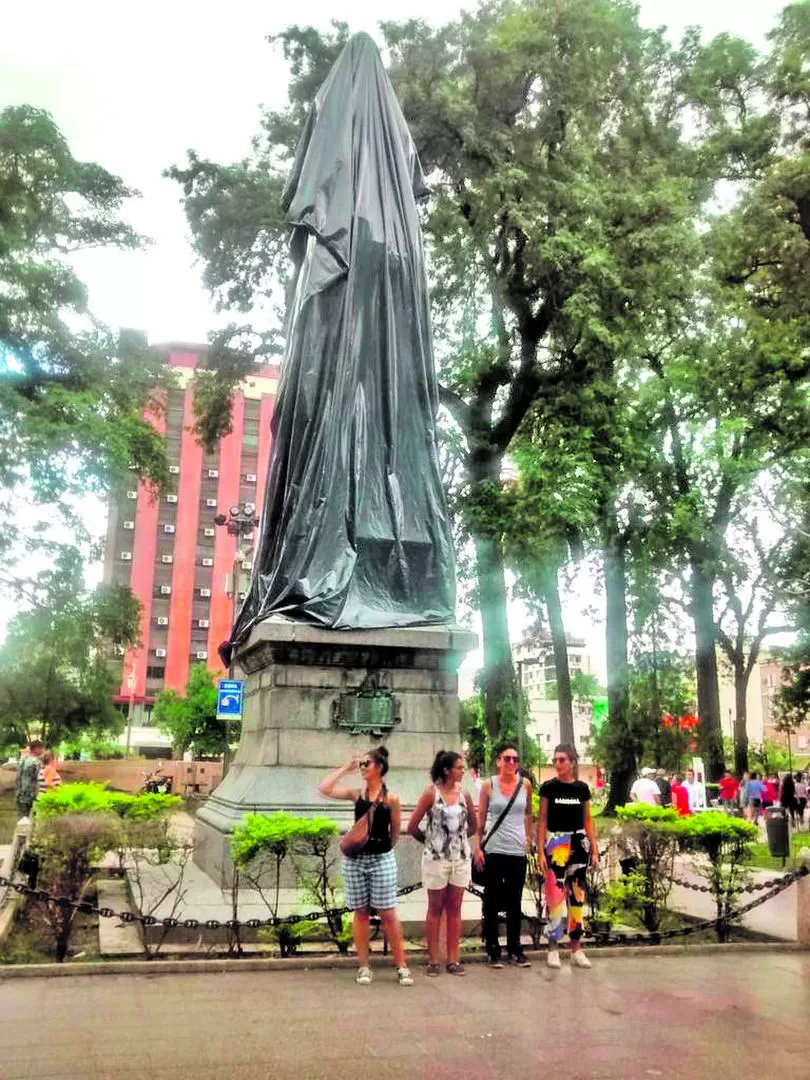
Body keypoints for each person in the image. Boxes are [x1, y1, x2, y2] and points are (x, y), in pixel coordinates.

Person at [317, 746, 413, 986]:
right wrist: (344, 769)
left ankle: (401, 965)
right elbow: (324, 789)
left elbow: (395, 831)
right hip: (356, 860)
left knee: (388, 912)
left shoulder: (391, 798)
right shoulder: (356, 794)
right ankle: (363, 966)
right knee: (360, 912)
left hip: (381, 859)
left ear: (379, 768)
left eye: (365, 764)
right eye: (361, 764)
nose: (362, 768)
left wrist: (382, 850)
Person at [407, 750, 477, 976]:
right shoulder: (431, 794)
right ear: (446, 770)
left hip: (460, 860)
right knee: (435, 908)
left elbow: (473, 827)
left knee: (455, 909)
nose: (462, 770)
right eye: (458, 767)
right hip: (436, 861)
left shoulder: (465, 795)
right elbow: (412, 827)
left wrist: (458, 843)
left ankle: (454, 959)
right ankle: (434, 960)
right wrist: (431, 843)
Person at [537, 744, 599, 970]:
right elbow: (542, 819)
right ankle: (553, 948)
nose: (558, 764)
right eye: (555, 760)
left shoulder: (582, 788)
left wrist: (594, 846)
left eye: (562, 760)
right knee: (554, 897)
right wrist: (540, 849)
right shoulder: (549, 788)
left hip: (578, 842)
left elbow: (588, 819)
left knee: (577, 897)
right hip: (557, 842)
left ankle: (576, 949)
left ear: (572, 762)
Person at [474, 741, 533, 969]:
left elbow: (529, 813)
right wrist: (477, 847)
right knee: (491, 900)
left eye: (515, 759)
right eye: (507, 758)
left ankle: (515, 949)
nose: (511, 763)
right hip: (494, 849)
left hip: (516, 850)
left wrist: (527, 838)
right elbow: (481, 820)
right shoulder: (489, 786)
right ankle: (493, 949)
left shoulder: (525, 785)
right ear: (498, 761)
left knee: (514, 900)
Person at [15, 740, 45, 820]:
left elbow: (17, 777)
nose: (43, 751)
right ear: (36, 749)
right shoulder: (37, 762)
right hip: (31, 795)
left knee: (22, 819)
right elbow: (40, 779)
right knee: (33, 819)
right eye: (42, 748)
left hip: (20, 794)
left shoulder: (22, 760)